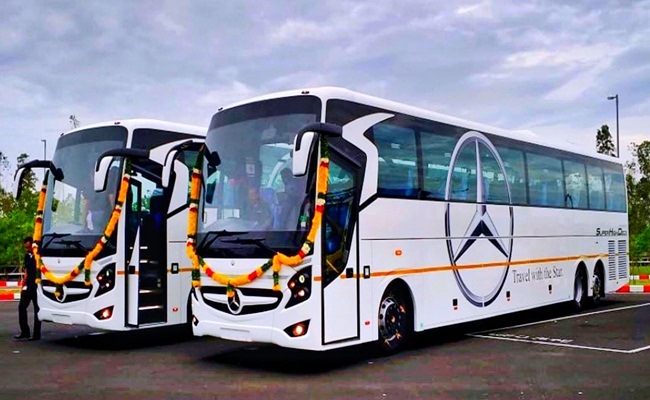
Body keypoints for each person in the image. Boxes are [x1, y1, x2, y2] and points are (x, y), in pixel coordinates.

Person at [14, 237, 41, 341]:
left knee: (37, 310)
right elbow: (26, 271)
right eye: (26, 247)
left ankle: (36, 334)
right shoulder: (27, 256)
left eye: (28, 247)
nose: (27, 249)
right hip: (28, 285)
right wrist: (23, 285)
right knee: (21, 307)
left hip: (37, 285)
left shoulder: (38, 256)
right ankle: (25, 331)